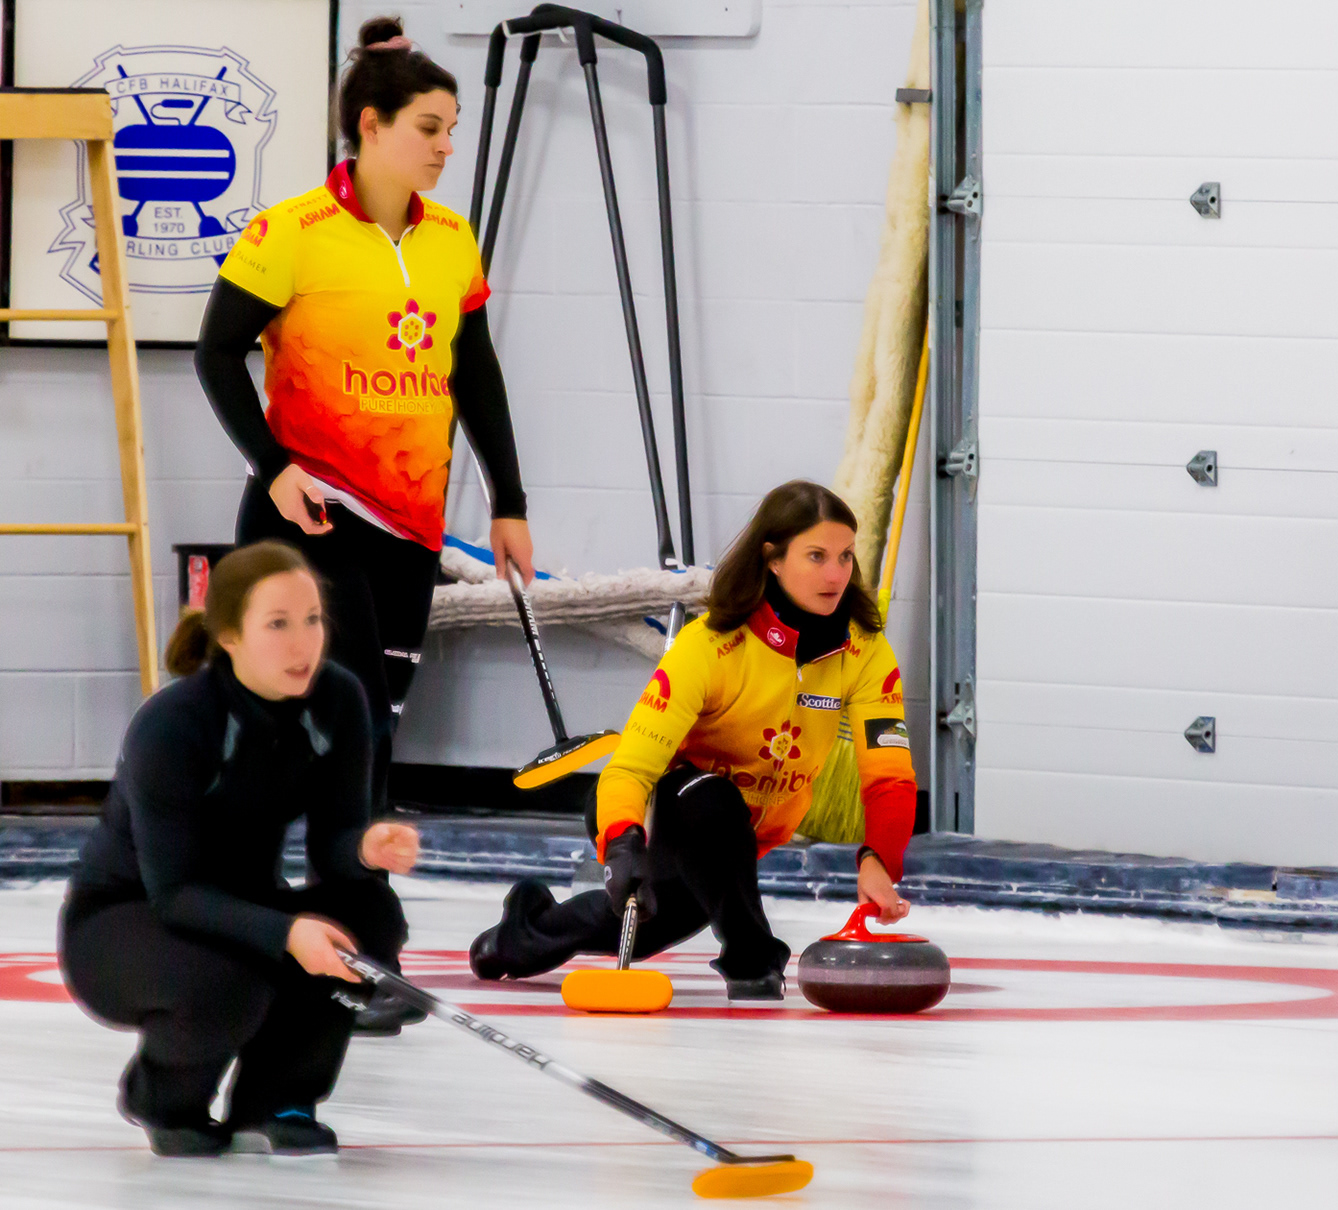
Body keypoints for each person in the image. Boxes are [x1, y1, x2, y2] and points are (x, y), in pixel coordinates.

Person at [197, 16, 529, 1033]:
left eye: (453, 128)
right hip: (311, 517)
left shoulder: (451, 239)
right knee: (352, 731)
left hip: (410, 528)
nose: (446, 145)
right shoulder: (291, 232)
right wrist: (275, 467)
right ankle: (341, 950)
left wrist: (509, 500)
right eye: (430, 126)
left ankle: (325, 941)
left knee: (371, 733)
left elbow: (474, 370)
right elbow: (216, 353)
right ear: (371, 126)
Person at [469, 481, 918, 998]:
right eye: (816, 556)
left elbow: (890, 778)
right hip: (653, 812)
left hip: (737, 838)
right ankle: (753, 958)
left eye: (845, 556)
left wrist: (878, 860)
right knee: (712, 801)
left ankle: (520, 932)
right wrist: (622, 844)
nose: (836, 574)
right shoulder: (709, 647)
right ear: (772, 559)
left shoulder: (864, 650)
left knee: (641, 931)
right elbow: (630, 770)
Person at [58, 542, 421, 1158]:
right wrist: (286, 933)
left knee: (369, 916)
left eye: (312, 619)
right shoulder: (173, 724)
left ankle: (280, 1098)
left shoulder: (338, 700)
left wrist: (363, 847)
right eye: (277, 624)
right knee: (232, 982)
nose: (303, 643)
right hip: (125, 921)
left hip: (244, 901)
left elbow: (332, 850)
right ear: (229, 636)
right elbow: (175, 894)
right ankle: (164, 1099)